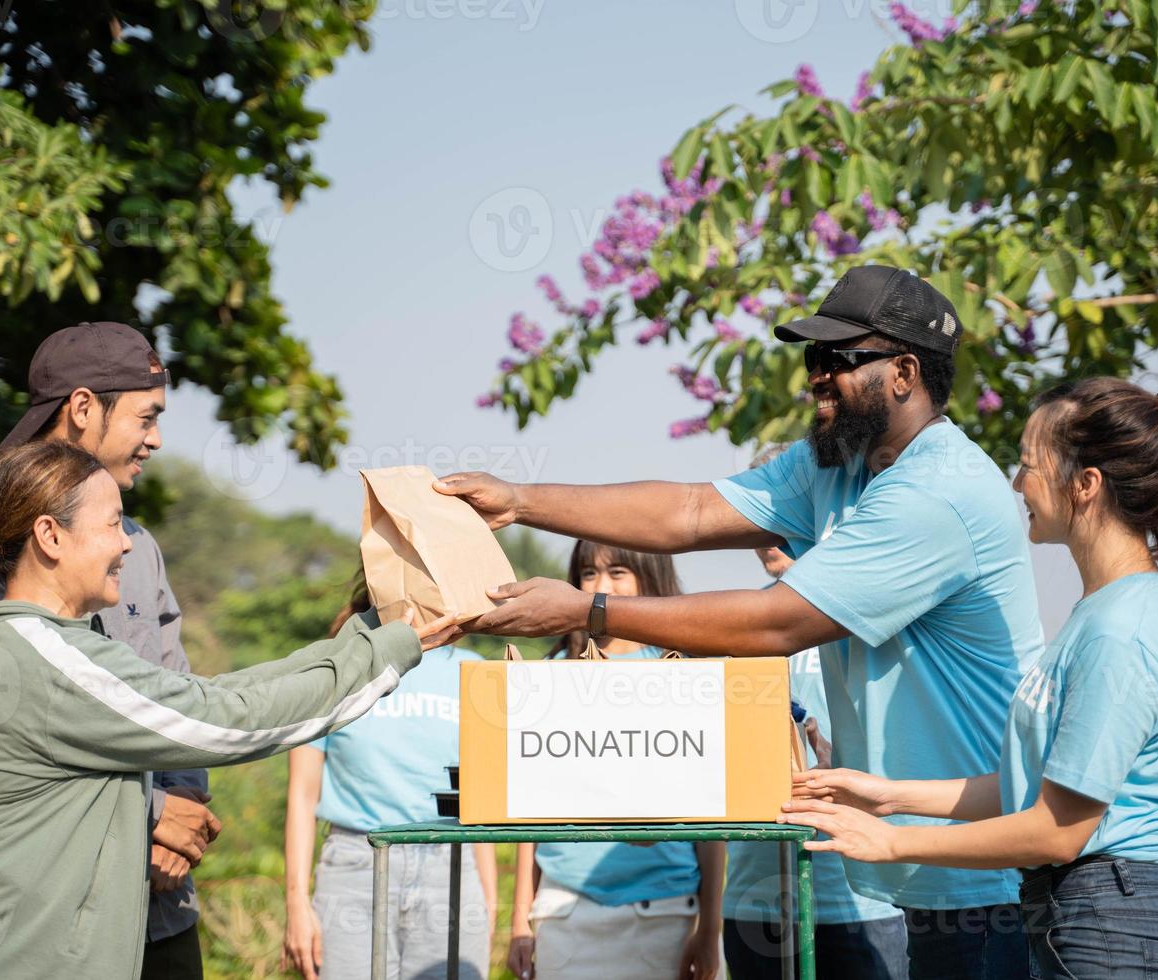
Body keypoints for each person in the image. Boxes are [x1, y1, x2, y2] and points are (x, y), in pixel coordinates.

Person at [439, 265, 1045, 978]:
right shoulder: (840, 465)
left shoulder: (935, 492)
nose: (816, 377)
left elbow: (778, 623)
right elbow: (690, 512)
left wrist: (587, 609)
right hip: (924, 869)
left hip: (987, 876)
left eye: (837, 360)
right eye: (811, 358)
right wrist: (519, 500)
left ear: (905, 372)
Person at [0, 441, 458, 980]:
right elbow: (230, 721)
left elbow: (220, 694)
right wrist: (392, 649)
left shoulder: (56, 649)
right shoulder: (49, 661)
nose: (128, 544)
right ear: (50, 536)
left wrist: (377, 632)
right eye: (113, 523)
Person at [782, 379, 1158, 979]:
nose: (1017, 485)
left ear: (1086, 485)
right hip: (1087, 920)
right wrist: (889, 795)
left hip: (1120, 932)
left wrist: (891, 841)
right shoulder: (1101, 612)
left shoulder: (1121, 630)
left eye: (1027, 467)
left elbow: (1058, 830)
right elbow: (1042, 789)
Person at [0, 321, 218, 976]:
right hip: (36, 915)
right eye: (146, 417)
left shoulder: (138, 544)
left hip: (157, 904)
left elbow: (177, 693)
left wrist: (186, 809)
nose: (156, 439)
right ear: (81, 409)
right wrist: (159, 814)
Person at [506, 541, 724, 980]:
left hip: (666, 913)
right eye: (588, 574)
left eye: (618, 572)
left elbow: (712, 821)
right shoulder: (551, 678)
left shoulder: (683, 672)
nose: (599, 586)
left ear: (651, 579)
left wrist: (709, 930)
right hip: (564, 910)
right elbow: (529, 809)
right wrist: (519, 924)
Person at [283, 577, 497, 980]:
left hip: (450, 865)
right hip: (354, 868)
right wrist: (297, 902)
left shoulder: (476, 673)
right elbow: (302, 795)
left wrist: (488, 900)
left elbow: (480, 803)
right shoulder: (334, 667)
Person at [723, 519, 907, 980]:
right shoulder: (735, 625)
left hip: (862, 900)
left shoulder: (875, 612)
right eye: (755, 525)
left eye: (783, 520)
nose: (768, 539)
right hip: (758, 898)